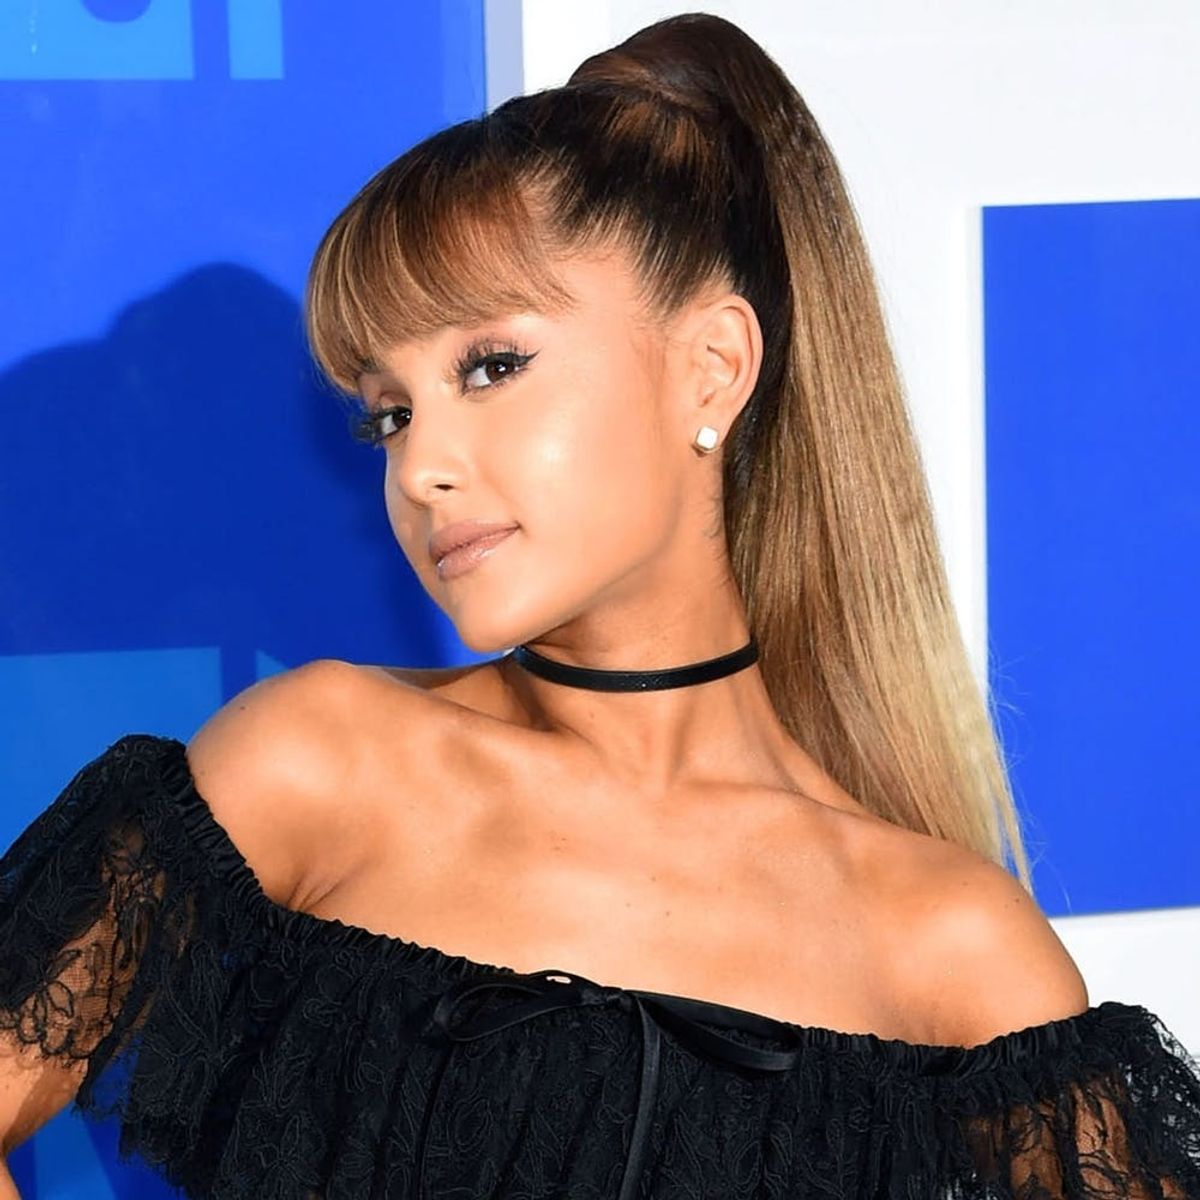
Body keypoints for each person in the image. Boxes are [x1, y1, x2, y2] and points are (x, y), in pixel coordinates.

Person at [2, 11, 1199, 1198]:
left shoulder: (948, 946)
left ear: (713, 368)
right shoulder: (316, 764)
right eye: (389, 414)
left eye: (491, 366)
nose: (419, 468)